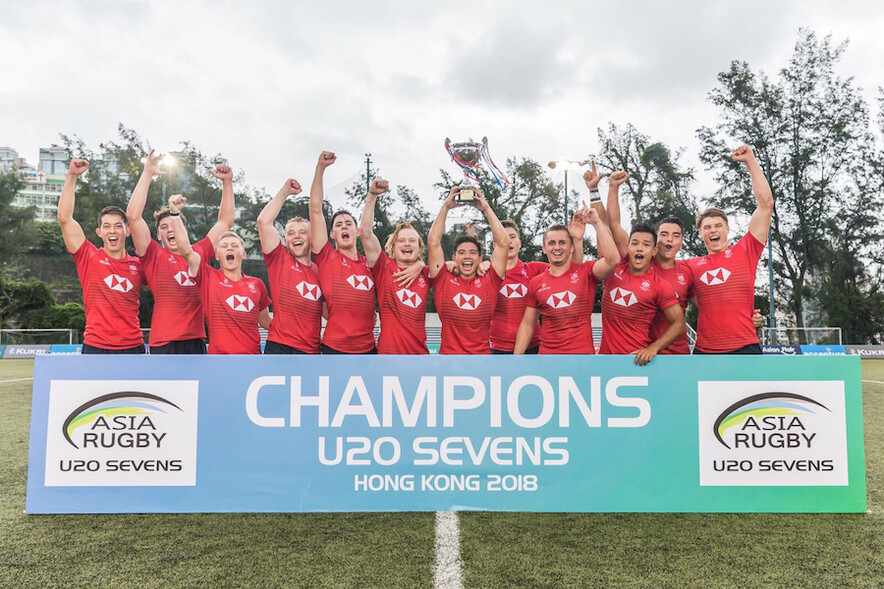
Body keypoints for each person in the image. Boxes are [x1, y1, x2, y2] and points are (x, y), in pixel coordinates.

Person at [604, 170, 764, 354]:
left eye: (675, 235)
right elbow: (614, 226)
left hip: (677, 354)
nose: (669, 240)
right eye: (663, 235)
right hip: (642, 352)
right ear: (656, 242)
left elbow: (713, 304)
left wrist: (747, 317)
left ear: (681, 241)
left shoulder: (687, 270)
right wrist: (613, 188)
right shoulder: (640, 262)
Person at [126, 151, 235, 354]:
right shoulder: (153, 255)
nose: (170, 230)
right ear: (158, 235)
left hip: (195, 341)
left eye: (173, 225)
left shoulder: (199, 251)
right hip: (164, 342)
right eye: (164, 227)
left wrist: (227, 183)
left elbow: (225, 222)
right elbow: (133, 217)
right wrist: (147, 173)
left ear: (184, 230)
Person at [685, 145, 773, 354]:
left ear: (727, 229)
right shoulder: (690, 266)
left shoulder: (746, 250)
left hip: (745, 347)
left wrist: (750, 160)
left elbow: (766, 204)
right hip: (706, 351)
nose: (712, 230)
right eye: (706, 227)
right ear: (700, 233)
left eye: (717, 226)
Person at [57, 158, 145, 354]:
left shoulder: (139, 265)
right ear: (99, 232)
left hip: (133, 347)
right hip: (95, 346)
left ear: (127, 231)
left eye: (117, 226)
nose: (112, 231)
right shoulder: (88, 256)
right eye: (106, 226)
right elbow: (65, 218)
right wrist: (71, 176)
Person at [167, 195, 270, 354]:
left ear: (243, 254)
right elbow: (186, 251)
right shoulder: (207, 276)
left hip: (252, 362)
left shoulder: (257, 285)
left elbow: (266, 322)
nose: (229, 248)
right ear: (217, 255)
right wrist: (174, 215)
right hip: (218, 361)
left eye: (234, 245)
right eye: (224, 246)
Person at [514, 205, 620, 354]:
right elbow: (527, 325)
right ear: (544, 248)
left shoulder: (586, 272)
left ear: (571, 248)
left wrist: (596, 223)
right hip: (548, 360)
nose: (557, 247)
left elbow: (613, 260)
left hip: (581, 359)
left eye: (562, 242)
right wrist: (515, 360)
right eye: (551, 243)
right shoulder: (536, 283)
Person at [427, 185, 510, 354]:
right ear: (454, 258)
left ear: (480, 259)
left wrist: (485, 208)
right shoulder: (443, 278)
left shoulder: (490, 279)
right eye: (462, 253)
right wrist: (446, 207)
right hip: (448, 362)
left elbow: (503, 243)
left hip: (482, 363)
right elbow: (433, 242)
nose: (467, 257)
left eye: (473, 253)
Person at [309, 151, 377, 354]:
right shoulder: (327, 256)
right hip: (334, 348)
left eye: (349, 223)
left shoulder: (371, 263)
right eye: (339, 225)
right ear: (332, 234)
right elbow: (315, 209)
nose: (344, 227)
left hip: (368, 350)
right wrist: (320, 168)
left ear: (357, 232)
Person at [489, 219, 585, 354]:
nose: (508, 241)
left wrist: (577, 240)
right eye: (503, 237)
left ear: (519, 243)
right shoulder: (487, 273)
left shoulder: (534, 269)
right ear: (495, 244)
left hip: (533, 347)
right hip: (498, 348)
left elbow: (571, 270)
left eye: (512, 237)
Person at [598, 224, 685, 365]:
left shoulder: (660, 285)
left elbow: (679, 324)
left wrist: (653, 348)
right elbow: (603, 226)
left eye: (646, 244)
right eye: (634, 243)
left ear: (654, 251)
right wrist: (595, 218)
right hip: (606, 361)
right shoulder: (612, 268)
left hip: (637, 361)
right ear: (627, 248)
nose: (639, 248)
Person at [360, 180, 431, 354]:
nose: (407, 244)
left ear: (419, 247)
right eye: (402, 240)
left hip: (419, 356)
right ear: (393, 247)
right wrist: (372, 196)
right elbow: (366, 234)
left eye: (412, 240)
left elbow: (457, 270)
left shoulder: (428, 274)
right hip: (388, 355)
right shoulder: (384, 266)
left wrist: (485, 263)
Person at [257, 178, 323, 354]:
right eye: (291, 233)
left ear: (312, 238)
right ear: (285, 241)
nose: (297, 236)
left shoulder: (321, 271)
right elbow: (263, 221)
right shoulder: (279, 259)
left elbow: (329, 312)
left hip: (310, 351)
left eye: (303, 232)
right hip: (279, 347)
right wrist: (285, 191)